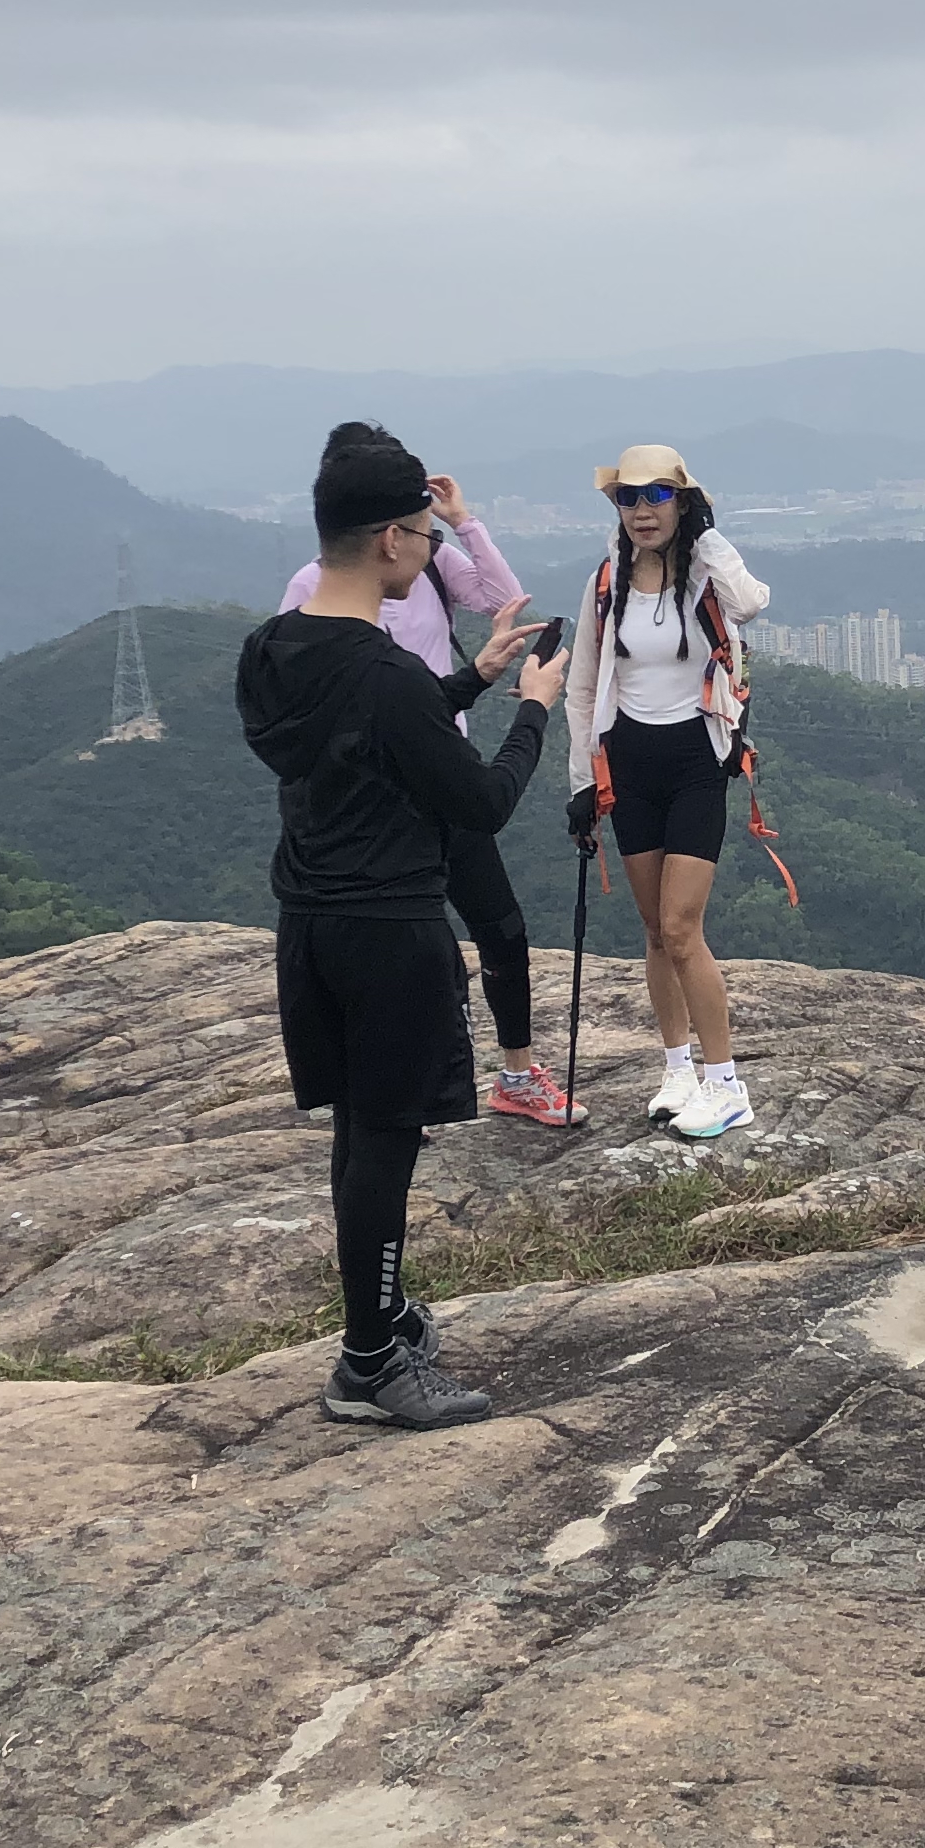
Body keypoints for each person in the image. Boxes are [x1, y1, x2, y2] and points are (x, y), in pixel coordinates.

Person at [236, 426, 570, 1432]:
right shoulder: (380, 671)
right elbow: (477, 801)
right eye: (425, 536)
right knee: (386, 1141)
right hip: (392, 930)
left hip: (311, 925)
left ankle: (381, 1320)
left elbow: (364, 735)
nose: (432, 552)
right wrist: (531, 710)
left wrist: (468, 681)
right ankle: (372, 1360)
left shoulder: (272, 650)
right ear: (388, 539)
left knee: (357, 1133)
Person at [279, 433, 571, 1125]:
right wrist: (529, 705)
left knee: (501, 927)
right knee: (409, 948)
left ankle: (516, 1073)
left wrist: (458, 523)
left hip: (445, 766)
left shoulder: (433, 563)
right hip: (382, 796)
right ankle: (391, 1097)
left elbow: (506, 597)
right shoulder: (311, 590)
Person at [562, 443, 773, 1139]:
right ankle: (677, 1066)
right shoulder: (607, 581)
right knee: (654, 930)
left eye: (657, 496)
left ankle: (725, 1082)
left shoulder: (706, 577)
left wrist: (707, 535)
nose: (641, 510)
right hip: (629, 758)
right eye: (628, 497)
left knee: (683, 929)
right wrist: (579, 781)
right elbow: (583, 686)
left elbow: (752, 603)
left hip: (695, 759)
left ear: (682, 501)